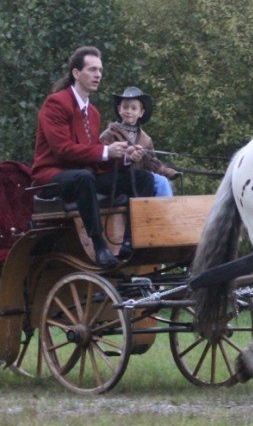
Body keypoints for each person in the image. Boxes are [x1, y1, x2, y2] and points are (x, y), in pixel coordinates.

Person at [32, 46, 155, 267]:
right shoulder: (56, 103)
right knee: (83, 178)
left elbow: (93, 153)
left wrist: (124, 156)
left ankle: (130, 242)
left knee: (144, 178)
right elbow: (63, 149)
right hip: (52, 177)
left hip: (83, 176)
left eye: (100, 70)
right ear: (76, 73)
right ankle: (99, 246)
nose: (98, 74)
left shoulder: (93, 112)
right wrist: (107, 151)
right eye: (92, 69)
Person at [99, 86, 181, 197]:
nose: (129, 111)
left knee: (162, 181)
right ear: (119, 109)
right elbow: (102, 161)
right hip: (119, 180)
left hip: (142, 181)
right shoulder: (109, 134)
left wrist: (169, 172)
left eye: (133, 108)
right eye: (125, 107)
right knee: (156, 181)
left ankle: (165, 212)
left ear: (141, 112)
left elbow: (152, 163)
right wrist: (126, 156)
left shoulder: (146, 139)